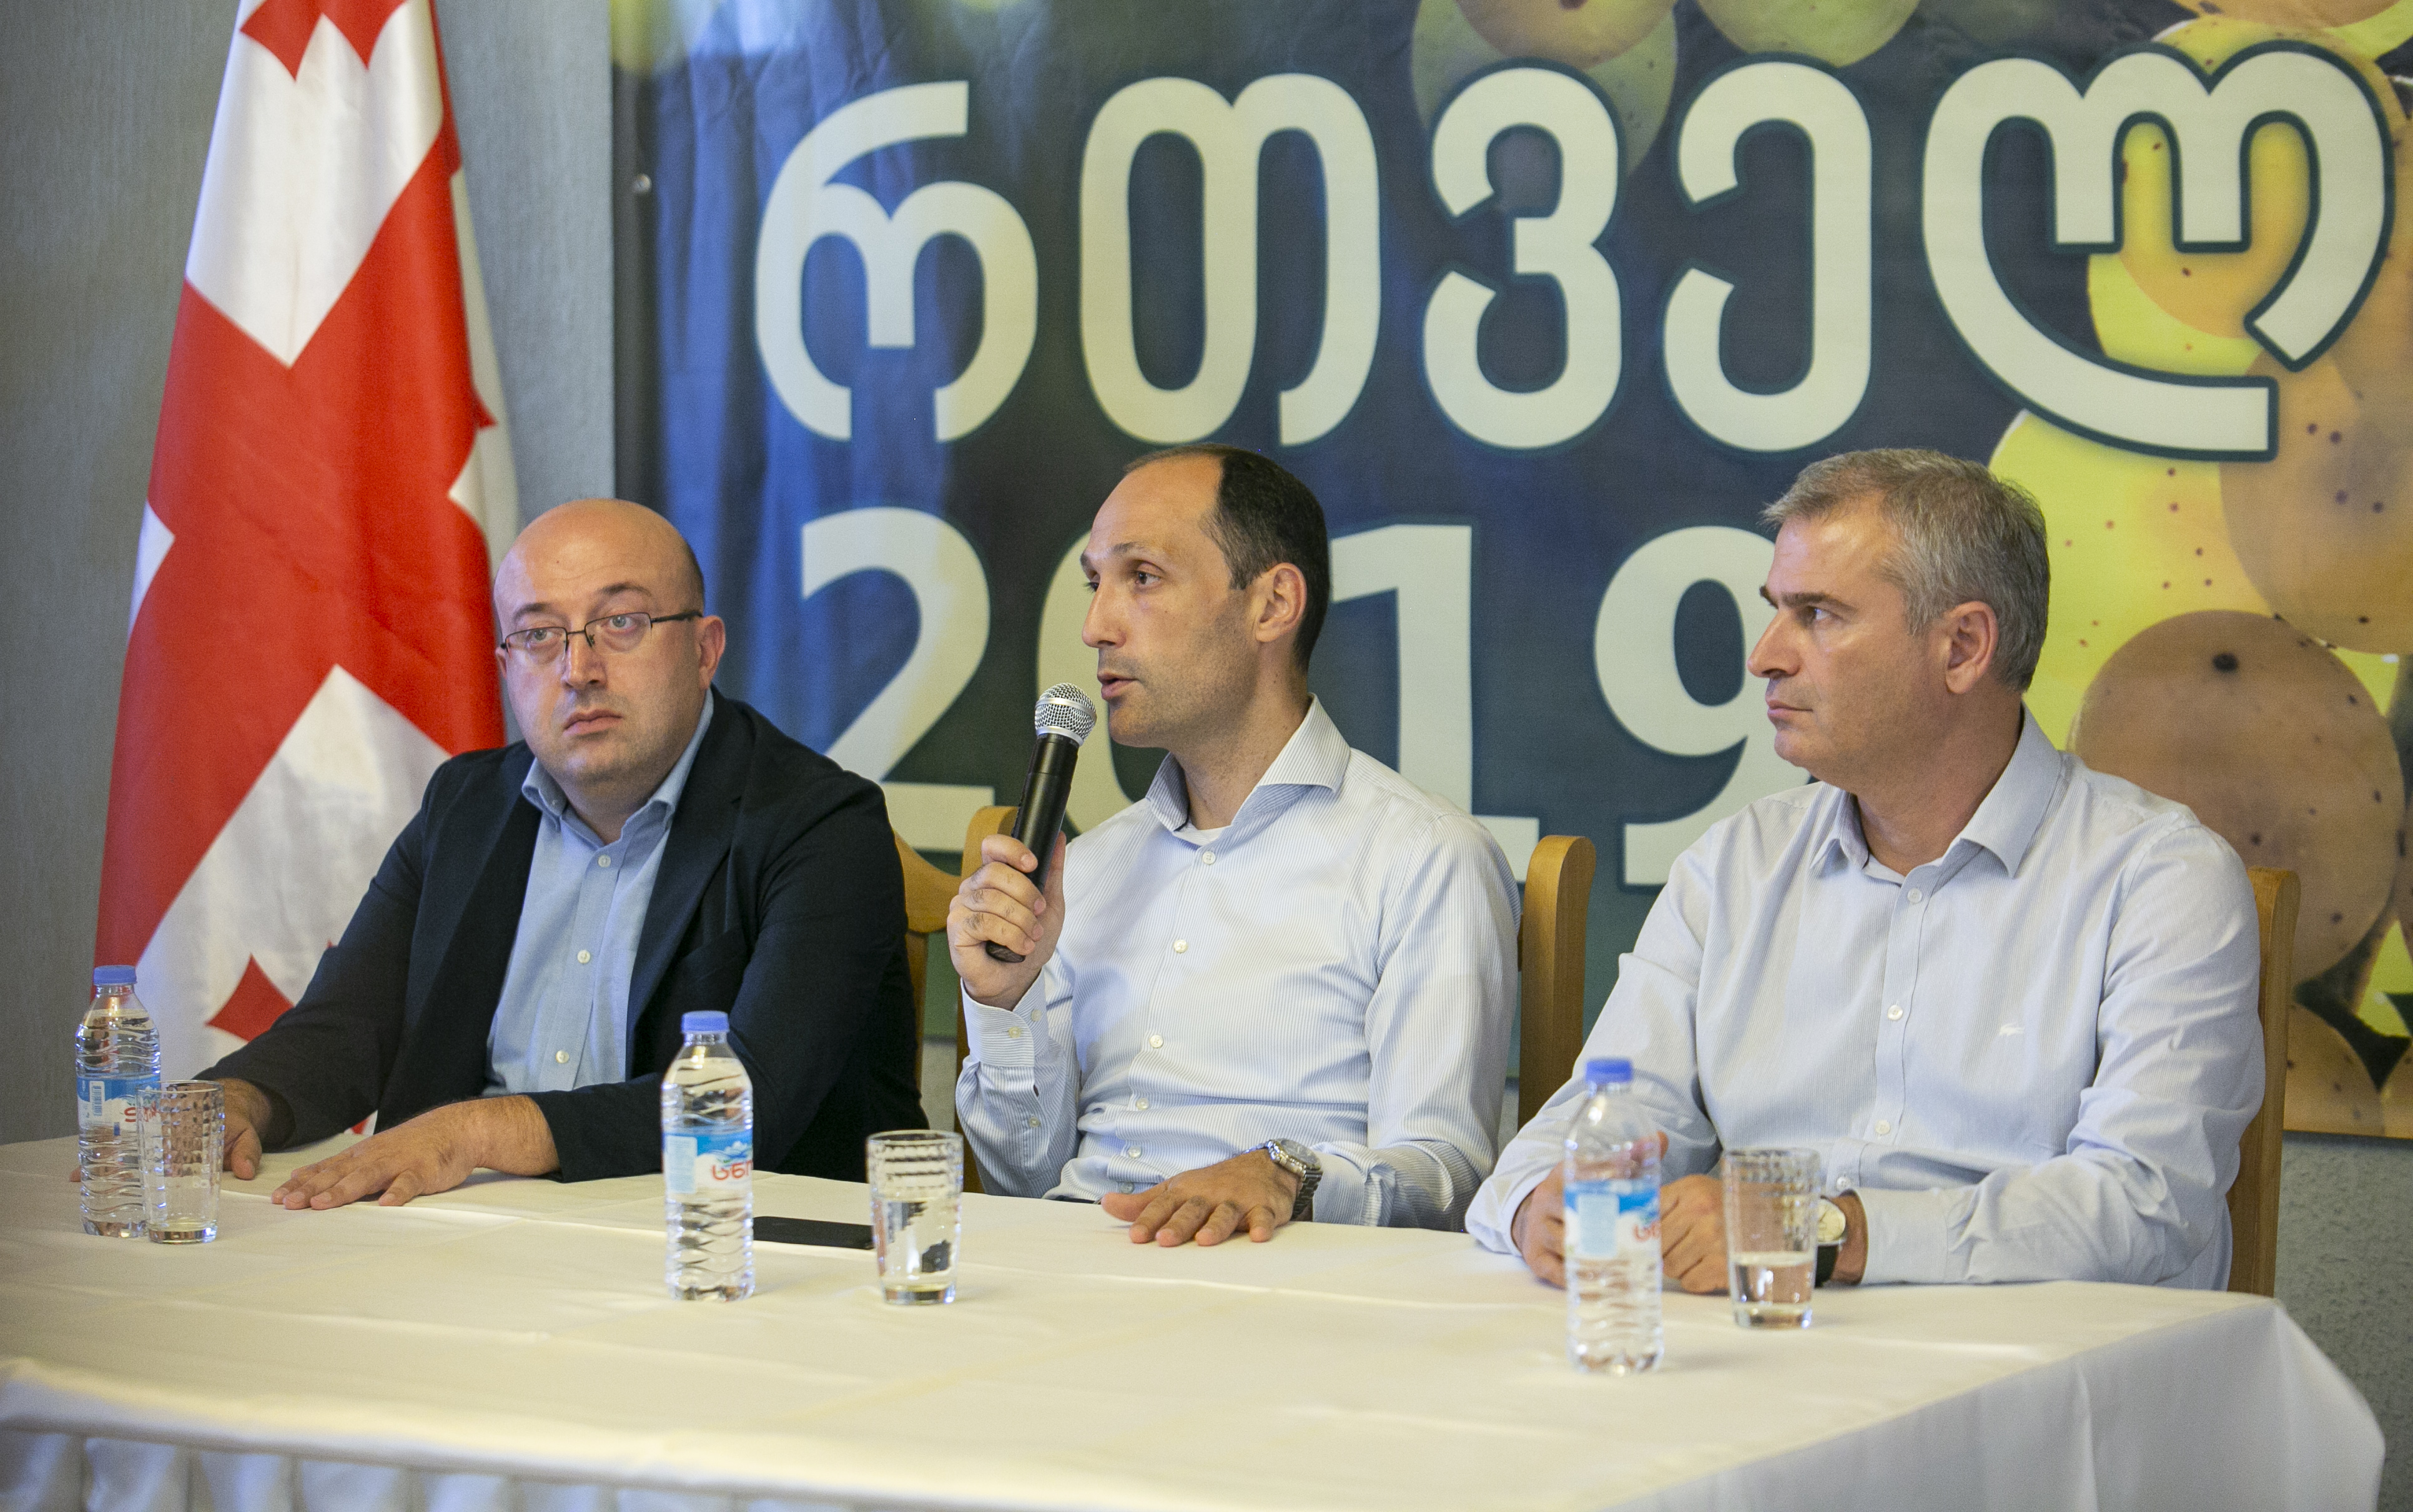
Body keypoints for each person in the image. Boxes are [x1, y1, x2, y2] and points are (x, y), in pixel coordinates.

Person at [1469, 449, 2262, 1290]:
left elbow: (2146, 1202)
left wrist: (1816, 1228)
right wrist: (1539, 1206)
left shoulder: (2161, 881)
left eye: (1817, 615)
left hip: (2044, 1360)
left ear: (1963, 647)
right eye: (1776, 610)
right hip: (1771, 1344)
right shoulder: (1733, 868)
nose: (1765, 656)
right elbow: (1601, 1122)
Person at [198, 499, 924, 1209]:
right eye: (540, 634)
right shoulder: (465, 807)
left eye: (621, 623)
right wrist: (242, 1097)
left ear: (704, 650)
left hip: (715, 1245)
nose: (579, 669)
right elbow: (349, 1027)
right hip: (460, 1237)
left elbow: (752, 1098)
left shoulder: (823, 825)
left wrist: (480, 1130)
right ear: (506, 666)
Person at [949, 444, 1520, 1247]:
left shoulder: (1423, 858)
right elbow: (1024, 1182)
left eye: (1142, 577)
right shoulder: (1089, 868)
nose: (1095, 626)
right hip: (1080, 1268)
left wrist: (1289, 1175)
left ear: (1273, 604)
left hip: (1280, 1283)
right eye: (1094, 583)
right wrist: (1007, 1003)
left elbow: (1444, 1176)